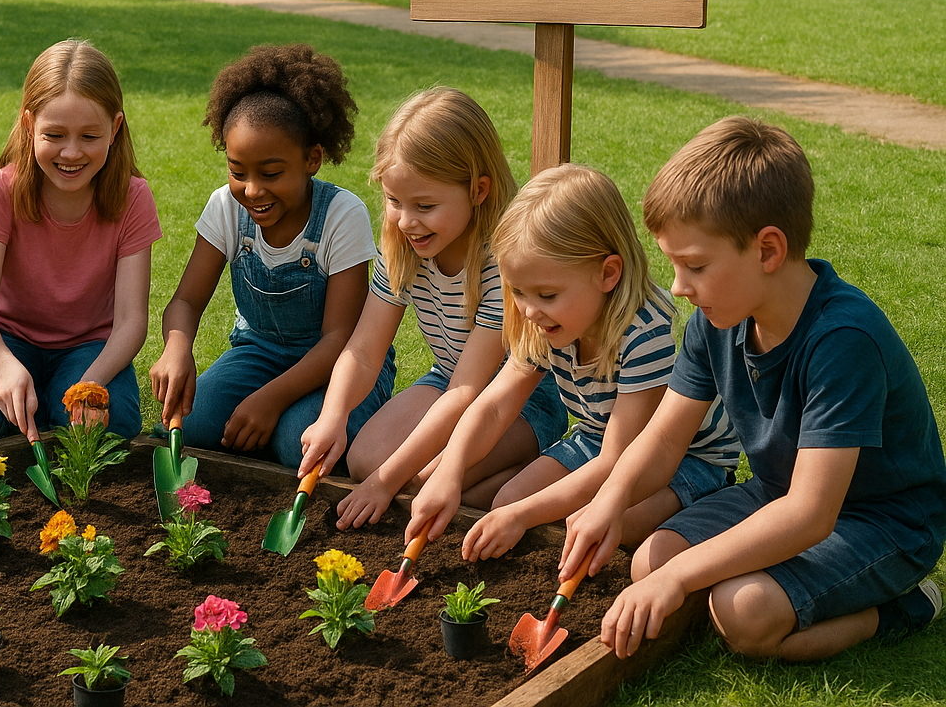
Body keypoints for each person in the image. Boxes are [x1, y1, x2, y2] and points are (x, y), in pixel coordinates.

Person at [562, 117, 946, 662]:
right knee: (650, 561)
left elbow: (811, 515)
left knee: (744, 614)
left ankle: (901, 609)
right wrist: (611, 500)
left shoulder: (843, 340)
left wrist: (680, 580)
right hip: (777, 492)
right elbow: (667, 438)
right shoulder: (716, 319)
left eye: (694, 265)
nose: (678, 286)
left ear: (767, 251)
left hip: (883, 521)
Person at [405, 163, 740, 560]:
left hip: (684, 459)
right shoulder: (547, 320)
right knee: (506, 500)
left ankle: (711, 498)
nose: (529, 310)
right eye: (518, 292)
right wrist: (450, 470)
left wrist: (520, 515)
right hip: (594, 441)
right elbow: (494, 406)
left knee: (603, 526)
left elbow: (621, 457)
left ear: (607, 274)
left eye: (546, 295)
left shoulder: (643, 335)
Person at [298, 87, 567, 527]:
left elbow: (470, 391)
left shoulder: (503, 261)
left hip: (520, 403)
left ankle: (530, 472)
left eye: (425, 205)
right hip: (448, 380)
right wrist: (334, 415)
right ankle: (482, 489)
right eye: (394, 201)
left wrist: (386, 483)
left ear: (479, 190)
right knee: (365, 458)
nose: (406, 221)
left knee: (418, 479)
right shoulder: (403, 243)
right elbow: (364, 350)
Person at [148, 44, 394, 469]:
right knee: (192, 424)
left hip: (339, 365)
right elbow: (186, 301)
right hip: (258, 352)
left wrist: (268, 399)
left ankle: (281, 425)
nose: (252, 190)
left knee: (293, 444)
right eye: (237, 171)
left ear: (312, 159)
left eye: (272, 173)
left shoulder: (341, 215)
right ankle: (258, 426)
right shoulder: (225, 207)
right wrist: (177, 347)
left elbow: (339, 339)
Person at [0, 40, 160, 448]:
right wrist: (4, 367)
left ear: (115, 128)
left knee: (105, 428)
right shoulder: (4, 190)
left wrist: (92, 383)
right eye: (54, 134)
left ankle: (50, 403)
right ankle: (32, 401)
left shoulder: (134, 198)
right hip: (8, 340)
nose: (71, 152)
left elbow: (132, 321)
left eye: (89, 135)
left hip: (91, 348)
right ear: (29, 125)